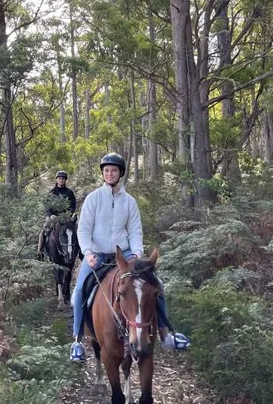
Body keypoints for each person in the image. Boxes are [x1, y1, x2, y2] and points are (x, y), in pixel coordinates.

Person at [69, 153, 189, 362]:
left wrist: (136, 252)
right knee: (80, 289)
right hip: (96, 254)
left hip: (124, 254)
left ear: (120, 173)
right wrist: (87, 253)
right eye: (106, 170)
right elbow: (83, 230)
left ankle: (165, 335)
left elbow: (135, 231)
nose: (109, 173)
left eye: (113, 170)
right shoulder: (92, 199)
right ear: (103, 173)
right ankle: (77, 340)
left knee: (156, 284)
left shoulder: (129, 202)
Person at [37, 171, 77, 258]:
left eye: (63, 179)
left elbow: (73, 205)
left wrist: (68, 214)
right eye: (59, 178)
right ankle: (39, 252)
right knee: (43, 230)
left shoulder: (69, 192)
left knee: (76, 228)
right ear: (56, 179)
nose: (61, 180)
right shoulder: (51, 192)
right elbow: (47, 207)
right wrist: (51, 215)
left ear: (65, 180)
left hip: (66, 217)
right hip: (53, 218)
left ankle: (80, 252)